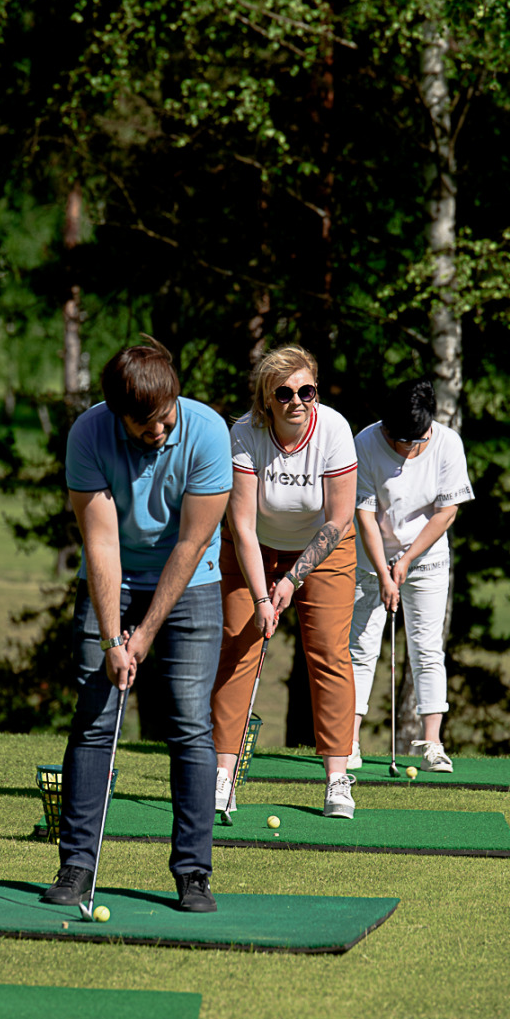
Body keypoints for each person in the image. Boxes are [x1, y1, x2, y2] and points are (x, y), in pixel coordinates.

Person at [42, 337, 231, 913]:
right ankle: (76, 864)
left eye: (165, 415)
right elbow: (100, 541)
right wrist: (110, 637)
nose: (159, 430)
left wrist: (143, 635)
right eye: (144, 422)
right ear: (117, 412)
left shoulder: (207, 431)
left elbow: (192, 541)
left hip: (190, 580)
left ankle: (193, 872)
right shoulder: (89, 434)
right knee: (95, 718)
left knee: (189, 725)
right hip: (112, 580)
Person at [211, 345, 358, 818]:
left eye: (306, 390)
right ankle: (222, 776)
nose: (297, 400)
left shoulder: (333, 430)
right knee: (238, 643)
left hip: (324, 547)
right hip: (252, 545)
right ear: (266, 400)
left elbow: (337, 520)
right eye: (285, 392)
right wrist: (261, 597)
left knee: (328, 652)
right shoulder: (244, 434)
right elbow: (244, 526)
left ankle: (337, 779)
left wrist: (292, 580)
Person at [348, 377, 474, 772]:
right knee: (361, 648)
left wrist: (404, 563)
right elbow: (364, 515)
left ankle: (433, 744)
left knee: (426, 647)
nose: (404, 449)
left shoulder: (447, 444)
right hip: (371, 560)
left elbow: (446, 512)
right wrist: (385, 572)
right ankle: (347, 743)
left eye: (413, 442)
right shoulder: (366, 443)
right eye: (397, 439)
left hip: (427, 560)